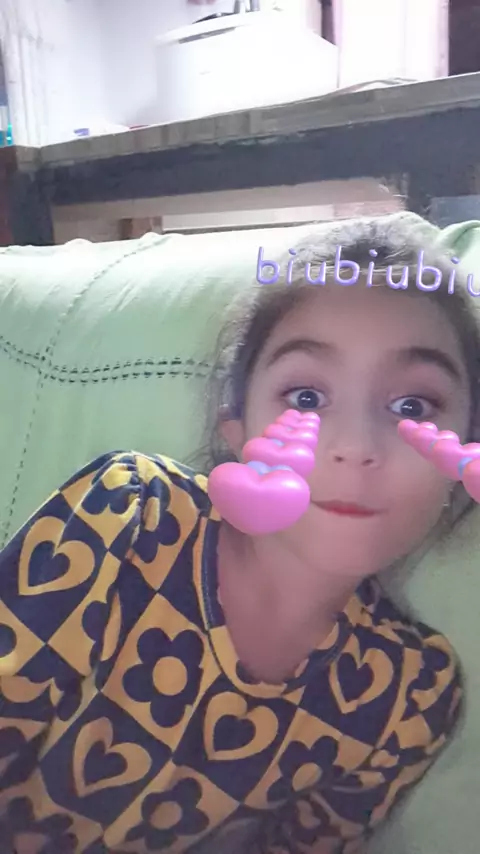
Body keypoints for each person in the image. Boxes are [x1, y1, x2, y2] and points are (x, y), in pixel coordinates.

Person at [0, 213, 476, 854]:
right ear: (238, 433)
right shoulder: (130, 518)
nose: (356, 446)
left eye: (412, 407)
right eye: (305, 397)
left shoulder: (410, 694)